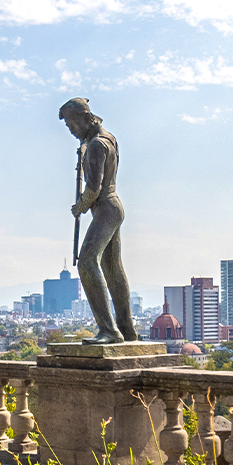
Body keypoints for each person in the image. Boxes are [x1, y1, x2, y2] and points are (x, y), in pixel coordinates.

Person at [62, 99, 137, 344]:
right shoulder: (108, 139)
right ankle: (127, 329)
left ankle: (110, 330)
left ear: (83, 120)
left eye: (72, 126)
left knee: (86, 262)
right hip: (112, 207)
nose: (72, 132)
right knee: (113, 270)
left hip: (105, 207)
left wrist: (80, 206)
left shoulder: (96, 145)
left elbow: (93, 189)